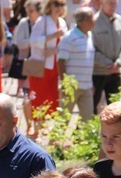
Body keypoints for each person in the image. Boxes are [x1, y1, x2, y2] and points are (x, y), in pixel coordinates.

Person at [28, 0, 67, 135]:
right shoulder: (42, 21)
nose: (59, 7)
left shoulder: (62, 22)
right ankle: (36, 131)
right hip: (40, 66)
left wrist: (55, 51)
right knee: (38, 96)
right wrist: (53, 36)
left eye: (62, 5)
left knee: (50, 97)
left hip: (55, 66)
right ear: (50, 6)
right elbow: (33, 41)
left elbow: (65, 44)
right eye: (56, 4)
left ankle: (43, 125)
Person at [57, 7, 96, 121]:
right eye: (92, 18)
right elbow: (61, 61)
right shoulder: (69, 37)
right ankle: (56, 140)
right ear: (85, 20)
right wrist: (65, 84)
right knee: (63, 120)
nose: (95, 21)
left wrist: (90, 82)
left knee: (87, 120)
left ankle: (78, 140)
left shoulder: (89, 36)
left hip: (87, 86)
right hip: (71, 87)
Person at [91, 0, 121, 113]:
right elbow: (90, 48)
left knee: (115, 108)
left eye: (114, 3)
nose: (112, 5)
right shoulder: (94, 21)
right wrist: (108, 63)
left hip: (115, 72)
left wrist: (119, 62)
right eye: (109, 2)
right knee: (92, 107)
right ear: (102, 2)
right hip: (98, 72)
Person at [12, 0, 43, 135]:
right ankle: (29, 124)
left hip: (42, 62)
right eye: (28, 11)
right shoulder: (24, 23)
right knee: (27, 95)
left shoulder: (43, 23)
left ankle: (40, 125)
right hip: (28, 63)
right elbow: (19, 43)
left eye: (32, 11)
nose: (29, 14)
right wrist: (36, 41)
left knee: (41, 95)